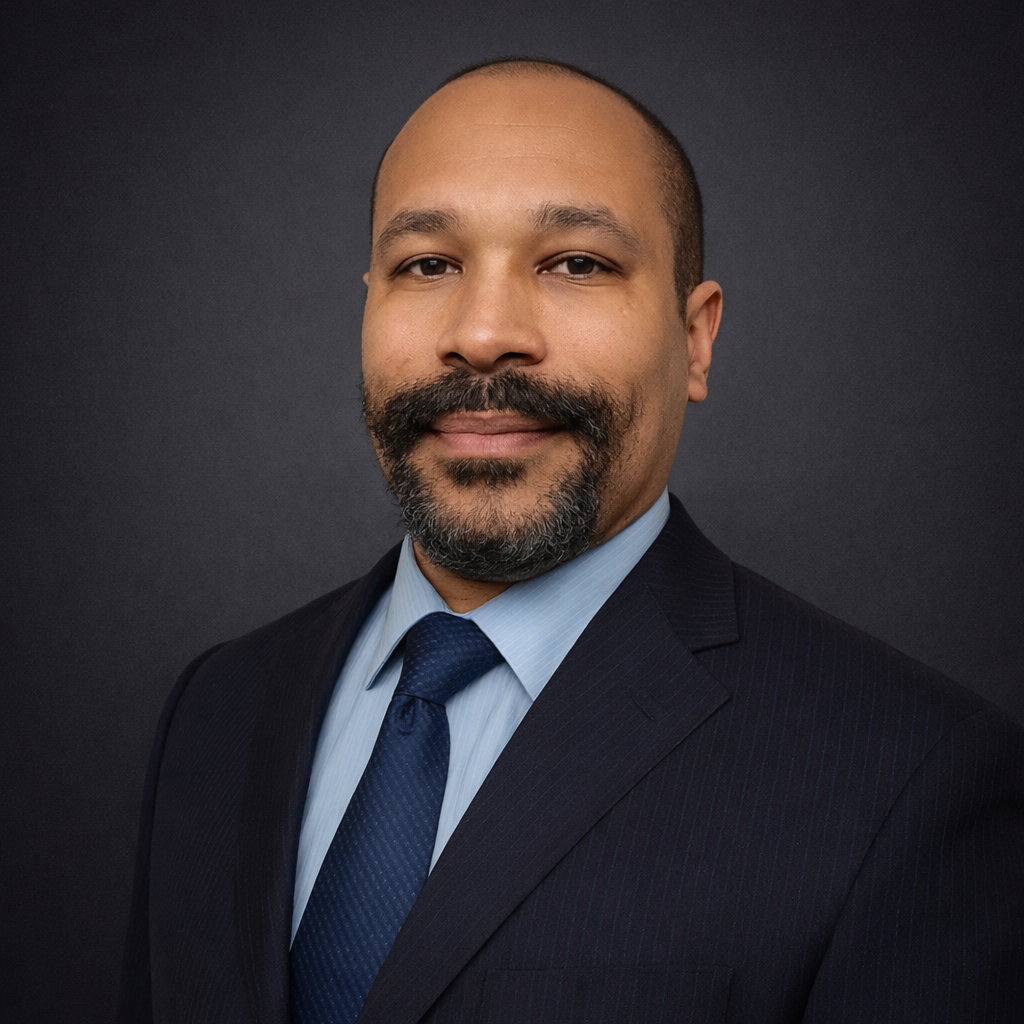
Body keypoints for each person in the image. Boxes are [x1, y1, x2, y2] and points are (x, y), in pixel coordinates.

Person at [117, 58, 1024, 1024]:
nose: (483, 333)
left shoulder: (912, 780)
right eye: (428, 264)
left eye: (576, 263)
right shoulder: (216, 708)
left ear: (697, 339)